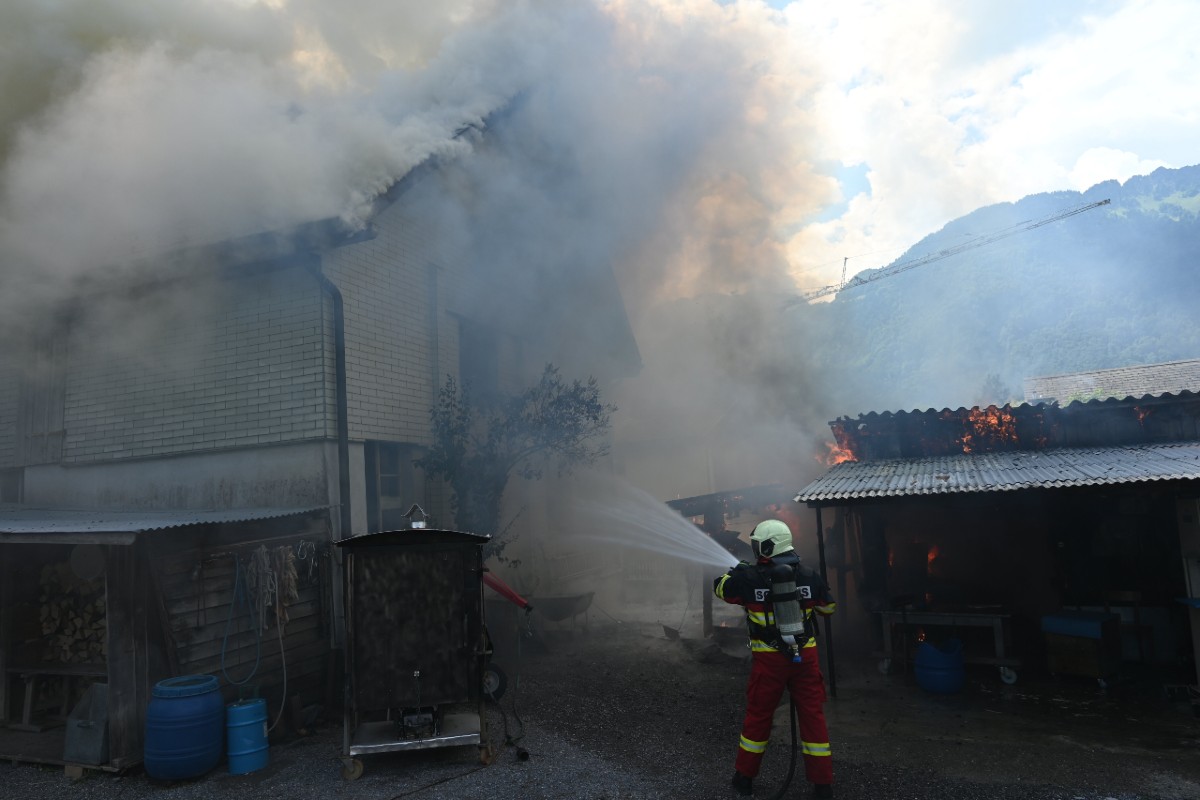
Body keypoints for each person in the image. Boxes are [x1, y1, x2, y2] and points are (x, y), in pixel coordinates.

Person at [713, 519, 836, 799]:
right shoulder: (808, 574)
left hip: (769, 660)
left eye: (758, 545)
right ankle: (823, 785)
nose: (756, 549)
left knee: (758, 717)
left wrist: (737, 571)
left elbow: (720, 588)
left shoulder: (748, 577)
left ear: (768, 547)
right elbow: (828, 608)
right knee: (813, 717)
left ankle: (744, 779)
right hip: (805, 657)